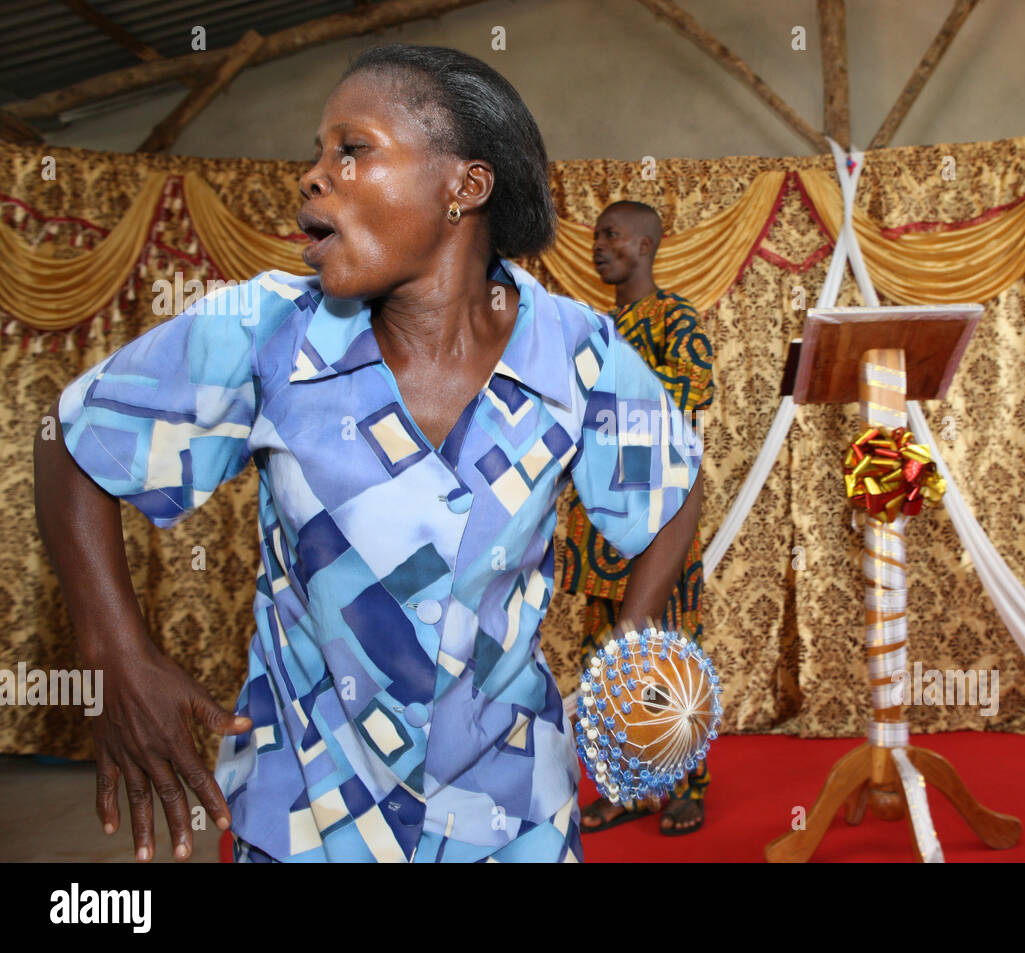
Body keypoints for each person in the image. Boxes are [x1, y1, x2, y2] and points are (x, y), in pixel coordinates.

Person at [32, 45, 703, 863]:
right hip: (309, 816)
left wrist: (630, 647)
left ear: (465, 186)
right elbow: (72, 443)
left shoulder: (577, 351)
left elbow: (675, 481)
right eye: (316, 156)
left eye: (351, 149)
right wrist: (115, 652)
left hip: (510, 808)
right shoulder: (263, 331)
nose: (313, 177)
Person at [563, 201, 714, 836]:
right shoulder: (598, 324)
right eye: (596, 235)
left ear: (646, 245)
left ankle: (685, 787)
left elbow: (692, 391)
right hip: (600, 526)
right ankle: (624, 786)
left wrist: (609, 395)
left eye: (612, 236)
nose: (598, 246)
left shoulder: (673, 316)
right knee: (605, 658)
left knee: (664, 654)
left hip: (657, 516)